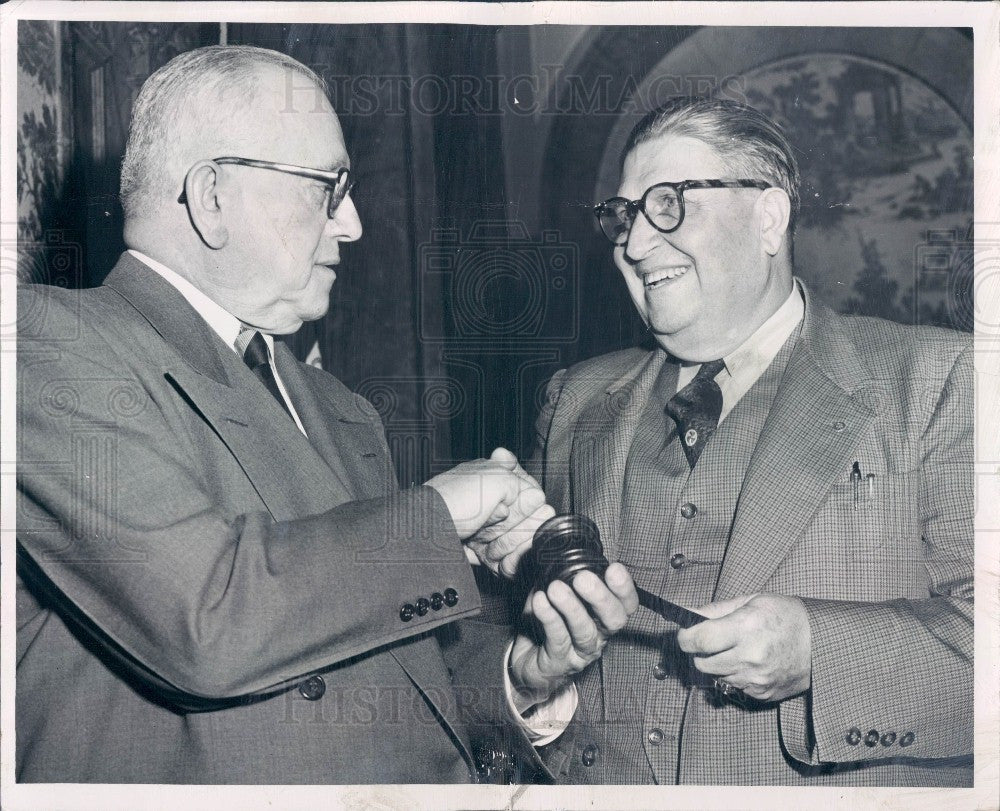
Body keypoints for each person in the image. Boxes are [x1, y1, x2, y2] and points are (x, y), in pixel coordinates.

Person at [15, 45, 558, 784]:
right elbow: (207, 617)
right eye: (329, 188)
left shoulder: (344, 410)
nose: (355, 225)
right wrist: (432, 514)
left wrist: (520, 678)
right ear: (211, 197)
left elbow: (391, 670)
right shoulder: (46, 346)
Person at [504, 96, 973, 786]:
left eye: (668, 203)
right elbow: (504, 644)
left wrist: (821, 650)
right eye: (623, 215)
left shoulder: (940, 379)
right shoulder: (573, 401)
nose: (632, 244)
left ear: (769, 216)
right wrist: (532, 688)